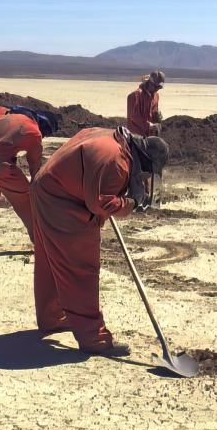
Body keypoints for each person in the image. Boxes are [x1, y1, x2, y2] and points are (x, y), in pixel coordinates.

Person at [30, 126, 169, 354]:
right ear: (143, 159)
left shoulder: (112, 138)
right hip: (62, 204)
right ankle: (94, 339)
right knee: (80, 269)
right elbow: (99, 203)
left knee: (50, 260)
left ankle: (52, 317)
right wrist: (129, 204)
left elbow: (91, 179)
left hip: (45, 188)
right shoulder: (117, 161)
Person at [0, 104, 60, 253]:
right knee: (26, 200)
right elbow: (35, 171)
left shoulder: (5, 115)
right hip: (0, 166)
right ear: (45, 126)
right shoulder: (34, 133)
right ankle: (42, 245)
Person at [126, 71, 165, 136]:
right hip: (135, 136)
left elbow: (153, 114)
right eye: (155, 86)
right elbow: (134, 117)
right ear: (149, 82)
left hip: (149, 135)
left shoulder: (156, 96)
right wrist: (149, 125)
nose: (157, 89)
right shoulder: (134, 96)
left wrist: (157, 118)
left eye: (159, 87)